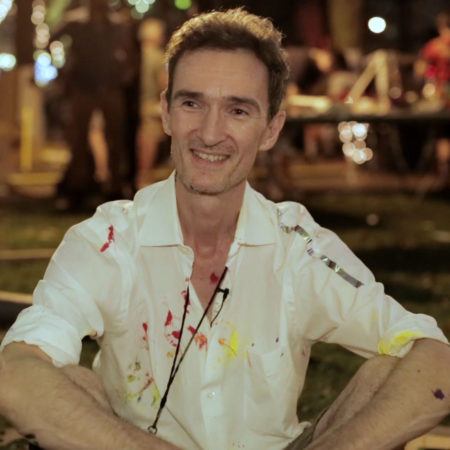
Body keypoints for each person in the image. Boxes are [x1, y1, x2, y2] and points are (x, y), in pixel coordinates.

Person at [1, 8, 450, 450]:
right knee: (67, 381)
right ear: (166, 112)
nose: (210, 132)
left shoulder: (297, 245)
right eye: (192, 103)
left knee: (389, 372)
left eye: (238, 110)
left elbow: (435, 357)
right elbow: (17, 370)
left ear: (271, 128)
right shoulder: (109, 240)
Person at [53, 0, 134, 210]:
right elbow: (51, 41)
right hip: (84, 87)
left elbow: (128, 51)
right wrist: (63, 70)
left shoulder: (117, 24)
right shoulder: (75, 23)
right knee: (79, 140)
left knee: (114, 139)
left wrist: (124, 72)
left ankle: (114, 186)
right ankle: (79, 187)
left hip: (109, 86)